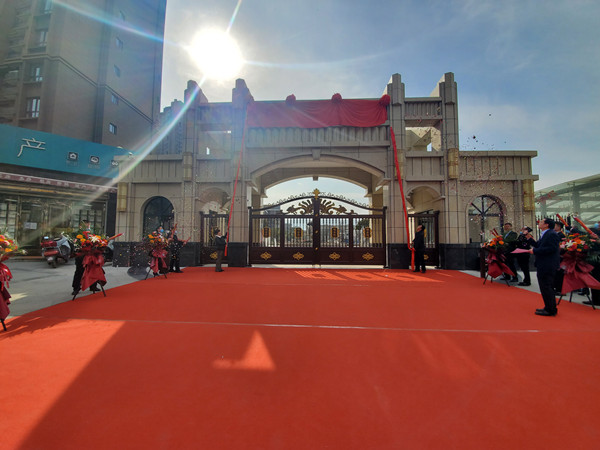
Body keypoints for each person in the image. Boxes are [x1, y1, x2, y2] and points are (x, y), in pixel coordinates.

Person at [527, 217, 561, 316]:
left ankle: (551, 309)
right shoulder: (545, 234)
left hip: (548, 264)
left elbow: (551, 248)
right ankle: (548, 307)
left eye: (541, 222)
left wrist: (535, 251)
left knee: (547, 286)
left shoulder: (551, 234)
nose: (539, 223)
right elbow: (539, 245)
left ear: (546, 224)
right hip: (543, 263)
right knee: (544, 287)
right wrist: (530, 239)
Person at [71, 220, 99, 295]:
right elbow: (76, 244)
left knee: (93, 270)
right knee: (79, 271)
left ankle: (93, 286)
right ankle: (76, 288)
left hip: (91, 254)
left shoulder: (91, 233)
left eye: (88, 224)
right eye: (86, 224)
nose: (88, 226)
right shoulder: (78, 234)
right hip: (81, 255)